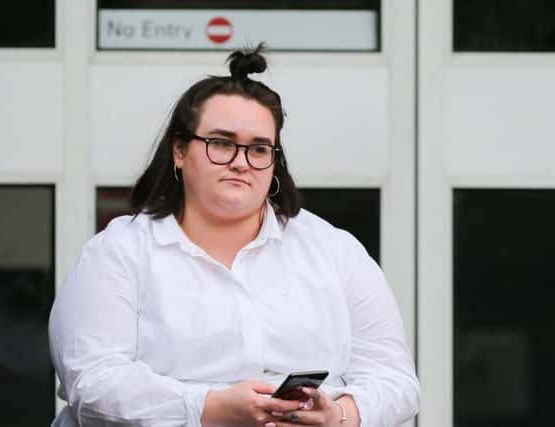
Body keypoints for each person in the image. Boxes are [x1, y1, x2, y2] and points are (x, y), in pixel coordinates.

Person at [49, 44, 420, 427]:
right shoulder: (117, 253)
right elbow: (93, 383)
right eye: (222, 143)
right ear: (179, 149)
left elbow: (397, 382)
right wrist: (209, 408)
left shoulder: (334, 250)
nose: (241, 162)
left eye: (259, 148)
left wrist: (340, 415)